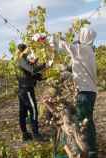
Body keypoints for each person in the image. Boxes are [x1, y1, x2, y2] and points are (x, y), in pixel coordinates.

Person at [51, 28, 98, 158]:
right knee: (88, 121)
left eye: (80, 36)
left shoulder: (82, 50)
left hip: (85, 93)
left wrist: (53, 39)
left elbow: (64, 46)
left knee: (81, 122)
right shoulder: (88, 51)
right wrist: (66, 73)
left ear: (83, 37)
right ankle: (92, 150)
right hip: (90, 92)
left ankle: (84, 151)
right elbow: (78, 70)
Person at [16, 43, 52, 141]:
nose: (29, 54)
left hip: (23, 90)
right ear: (24, 51)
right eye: (28, 51)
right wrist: (45, 65)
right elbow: (32, 70)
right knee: (34, 111)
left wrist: (46, 76)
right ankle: (36, 134)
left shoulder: (21, 61)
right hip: (26, 90)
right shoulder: (21, 60)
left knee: (22, 112)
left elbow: (32, 74)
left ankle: (25, 134)